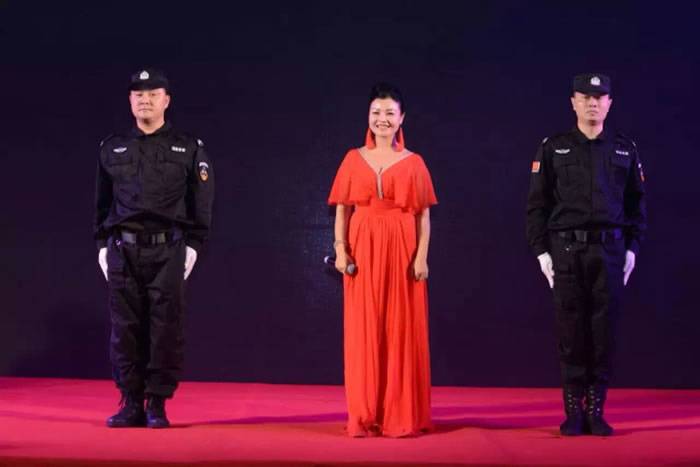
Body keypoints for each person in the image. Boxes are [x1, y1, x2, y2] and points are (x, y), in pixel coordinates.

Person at [526, 73, 646, 436]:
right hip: (566, 251)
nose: (592, 103)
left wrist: (632, 248)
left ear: (610, 103)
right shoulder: (554, 148)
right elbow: (537, 205)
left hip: (610, 251)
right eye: (585, 97)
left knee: (603, 331)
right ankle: (572, 411)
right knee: (571, 331)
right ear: (573, 102)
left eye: (599, 97)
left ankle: (596, 410)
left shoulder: (624, 149)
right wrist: (541, 252)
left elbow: (636, 204)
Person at [94, 69, 214, 428]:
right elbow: (101, 203)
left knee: (165, 326)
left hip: (168, 250)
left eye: (152, 93)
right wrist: (101, 245)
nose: (144, 100)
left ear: (166, 100)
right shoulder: (112, 147)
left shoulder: (188, 147)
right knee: (125, 327)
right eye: (138, 94)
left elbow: (201, 201)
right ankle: (131, 401)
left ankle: (157, 403)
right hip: (124, 250)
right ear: (130, 101)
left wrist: (194, 245)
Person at [328, 83, 437, 437]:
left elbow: (423, 215)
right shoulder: (352, 158)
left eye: (390, 113)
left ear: (402, 118)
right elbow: (342, 209)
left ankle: (398, 414)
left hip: (402, 249)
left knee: (400, 329)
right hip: (363, 247)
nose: (382, 119)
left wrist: (421, 257)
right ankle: (364, 412)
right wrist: (341, 249)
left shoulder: (414, 162)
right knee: (364, 330)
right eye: (376, 112)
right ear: (368, 116)